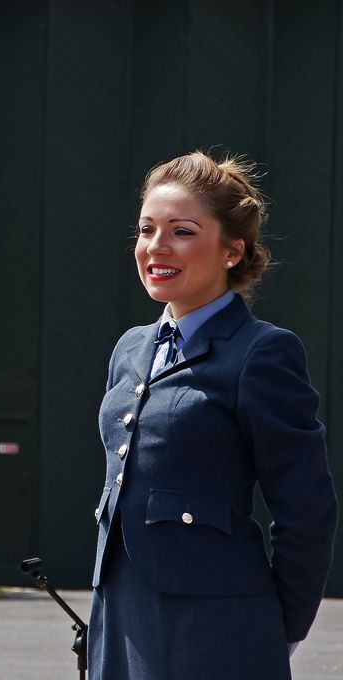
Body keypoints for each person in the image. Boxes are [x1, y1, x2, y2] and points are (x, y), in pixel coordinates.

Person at [88, 151, 337, 679]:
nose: (156, 247)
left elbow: (306, 506)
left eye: (181, 231)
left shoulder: (261, 352)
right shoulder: (131, 349)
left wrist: (280, 626)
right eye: (146, 229)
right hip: (121, 616)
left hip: (216, 628)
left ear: (232, 251)